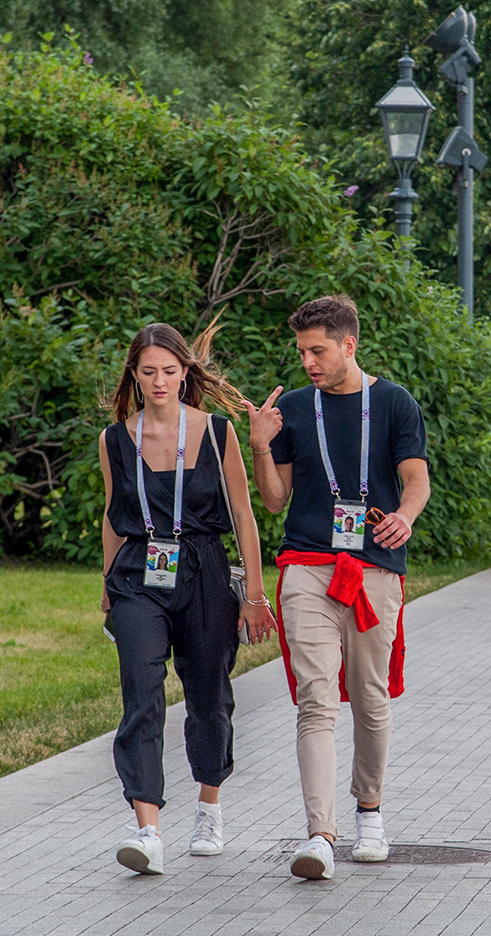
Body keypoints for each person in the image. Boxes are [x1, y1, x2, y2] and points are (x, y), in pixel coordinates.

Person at [245, 295, 430, 881]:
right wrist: (259, 445)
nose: (307, 362)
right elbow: (275, 500)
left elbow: (416, 480)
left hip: (374, 568)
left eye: (317, 350)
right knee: (316, 700)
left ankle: (369, 813)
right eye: (301, 351)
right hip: (308, 564)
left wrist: (405, 516)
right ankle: (320, 835)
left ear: (349, 344)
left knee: (371, 699)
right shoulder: (296, 409)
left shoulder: (395, 402)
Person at [99, 322, 275, 876]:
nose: (158, 381)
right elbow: (112, 516)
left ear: (184, 373)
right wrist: (107, 587)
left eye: (169, 372)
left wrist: (254, 593)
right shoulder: (114, 440)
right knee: (142, 693)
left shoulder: (217, 432)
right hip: (137, 575)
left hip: (203, 568)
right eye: (147, 372)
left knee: (208, 694)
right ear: (134, 374)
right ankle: (146, 827)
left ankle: (209, 806)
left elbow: (245, 515)